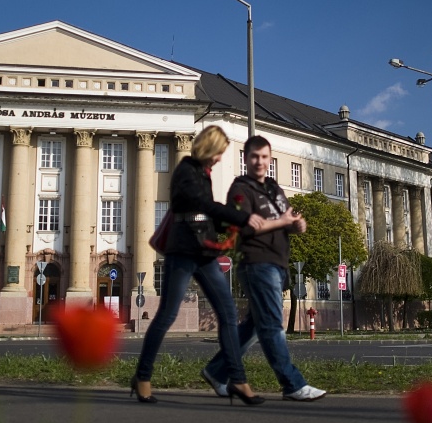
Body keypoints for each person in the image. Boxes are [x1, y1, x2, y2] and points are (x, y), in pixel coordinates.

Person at [131, 125, 267, 405]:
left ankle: (237, 379)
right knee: (167, 316)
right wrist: (241, 217)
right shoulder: (186, 170)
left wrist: (235, 222)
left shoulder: (203, 173)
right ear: (208, 148)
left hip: (204, 251)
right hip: (183, 251)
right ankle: (142, 377)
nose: (219, 158)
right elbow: (202, 205)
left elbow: (207, 214)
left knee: (227, 313)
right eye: (218, 153)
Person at [201, 135, 327, 402]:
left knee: (256, 325)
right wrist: (281, 222)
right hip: (256, 262)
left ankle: (217, 371)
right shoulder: (240, 189)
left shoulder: (273, 188)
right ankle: (292, 384)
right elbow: (245, 227)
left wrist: (297, 225)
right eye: (254, 157)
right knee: (271, 325)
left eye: (264, 157)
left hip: (278, 263)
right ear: (246, 158)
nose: (260, 162)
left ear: (270, 159)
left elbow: (288, 218)